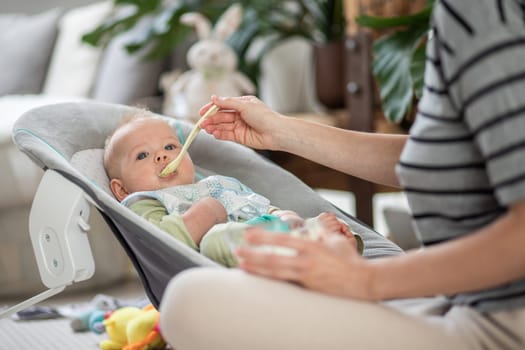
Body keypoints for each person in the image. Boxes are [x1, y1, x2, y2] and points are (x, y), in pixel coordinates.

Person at [158, 1, 525, 349]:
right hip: (468, 297)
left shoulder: (484, 12)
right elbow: (448, 157)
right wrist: (283, 132)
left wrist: (366, 280)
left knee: (188, 302)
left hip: (499, 318)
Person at [103, 112, 362, 267]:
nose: (161, 156)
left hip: (269, 238)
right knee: (215, 239)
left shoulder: (217, 185)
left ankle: (317, 242)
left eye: (170, 147)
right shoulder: (143, 201)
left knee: (297, 219)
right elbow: (160, 241)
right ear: (122, 189)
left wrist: (288, 219)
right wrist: (206, 213)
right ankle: (310, 244)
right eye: (142, 155)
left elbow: (261, 208)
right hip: (223, 261)